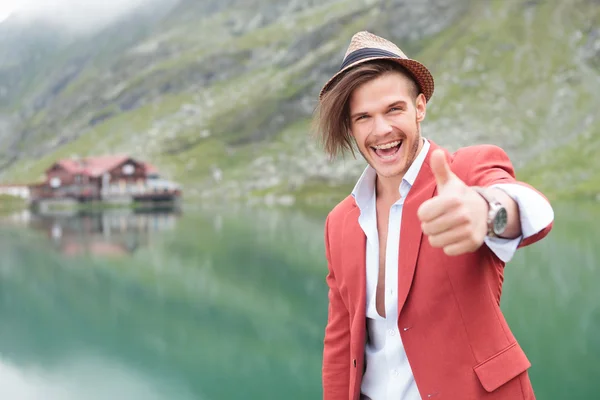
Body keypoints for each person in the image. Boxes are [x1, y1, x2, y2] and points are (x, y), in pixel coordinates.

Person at [313, 31, 554, 400]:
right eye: (363, 117)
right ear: (350, 127)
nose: (382, 130)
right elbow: (340, 342)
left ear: (420, 107)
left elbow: (534, 209)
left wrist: (489, 213)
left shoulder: (465, 171)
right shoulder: (340, 222)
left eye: (394, 109)